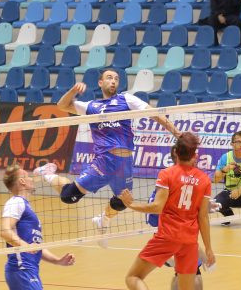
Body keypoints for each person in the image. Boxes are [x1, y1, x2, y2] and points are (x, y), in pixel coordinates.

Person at [33, 67, 180, 234]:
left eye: (116, 79)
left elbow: (153, 113)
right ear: (100, 83)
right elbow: (62, 105)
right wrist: (73, 90)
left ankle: (103, 220)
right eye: (109, 78)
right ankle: (47, 173)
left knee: (122, 202)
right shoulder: (91, 106)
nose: (113, 81)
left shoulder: (126, 99)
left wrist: (176, 132)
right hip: (104, 162)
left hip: (124, 164)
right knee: (68, 196)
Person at [120, 132, 219, 290]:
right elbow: (203, 217)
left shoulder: (167, 174)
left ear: (175, 153)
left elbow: (157, 206)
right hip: (188, 242)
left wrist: (130, 204)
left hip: (167, 237)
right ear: (194, 155)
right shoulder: (204, 180)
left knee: (132, 277)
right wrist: (208, 247)